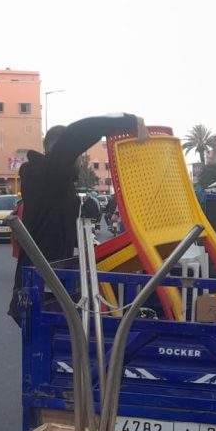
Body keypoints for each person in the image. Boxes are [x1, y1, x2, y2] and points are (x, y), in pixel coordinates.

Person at [8, 113, 148, 321]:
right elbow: (76, 132)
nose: (79, 161)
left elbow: (58, 225)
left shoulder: (55, 182)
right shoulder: (48, 174)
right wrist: (129, 122)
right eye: (77, 155)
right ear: (60, 151)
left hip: (52, 276)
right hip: (42, 282)